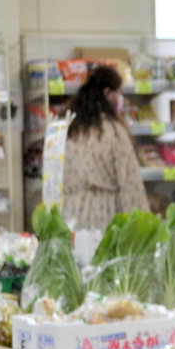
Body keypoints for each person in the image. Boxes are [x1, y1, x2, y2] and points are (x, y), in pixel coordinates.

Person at [59, 64, 149, 231]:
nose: (121, 99)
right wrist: (142, 228)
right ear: (108, 93)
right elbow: (130, 184)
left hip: (69, 216)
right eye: (119, 93)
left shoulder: (68, 128)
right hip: (103, 217)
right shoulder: (113, 132)